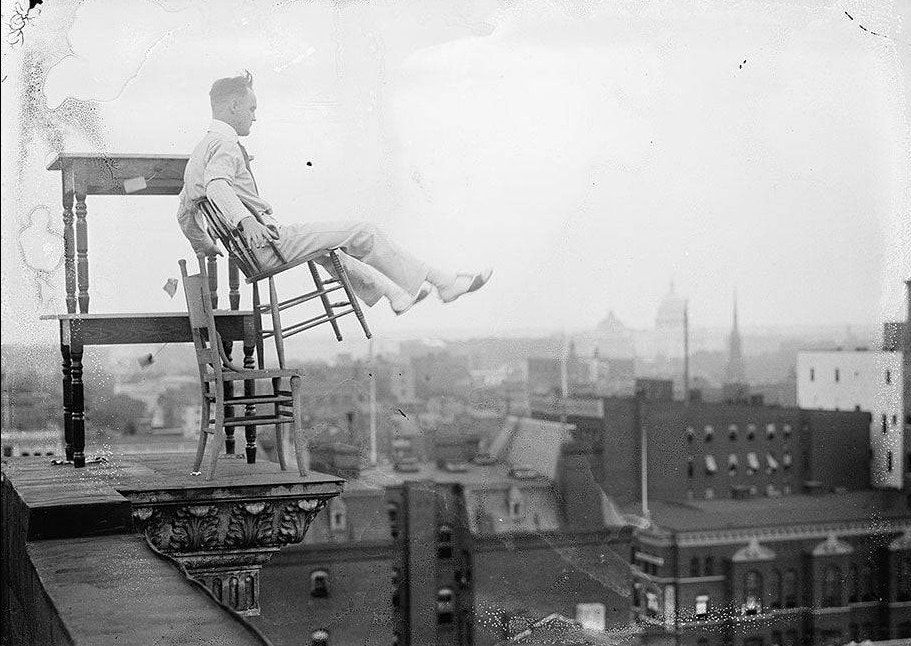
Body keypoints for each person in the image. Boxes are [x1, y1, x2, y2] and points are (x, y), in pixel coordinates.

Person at [176, 70, 491, 315]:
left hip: (257, 251)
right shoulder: (226, 145)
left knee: (332, 248)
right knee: (364, 232)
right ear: (234, 106)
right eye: (251, 108)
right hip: (270, 244)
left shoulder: (199, 153)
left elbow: (184, 212)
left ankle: (393, 294)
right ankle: (444, 283)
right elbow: (217, 185)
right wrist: (245, 221)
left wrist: (204, 244)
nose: (254, 116)